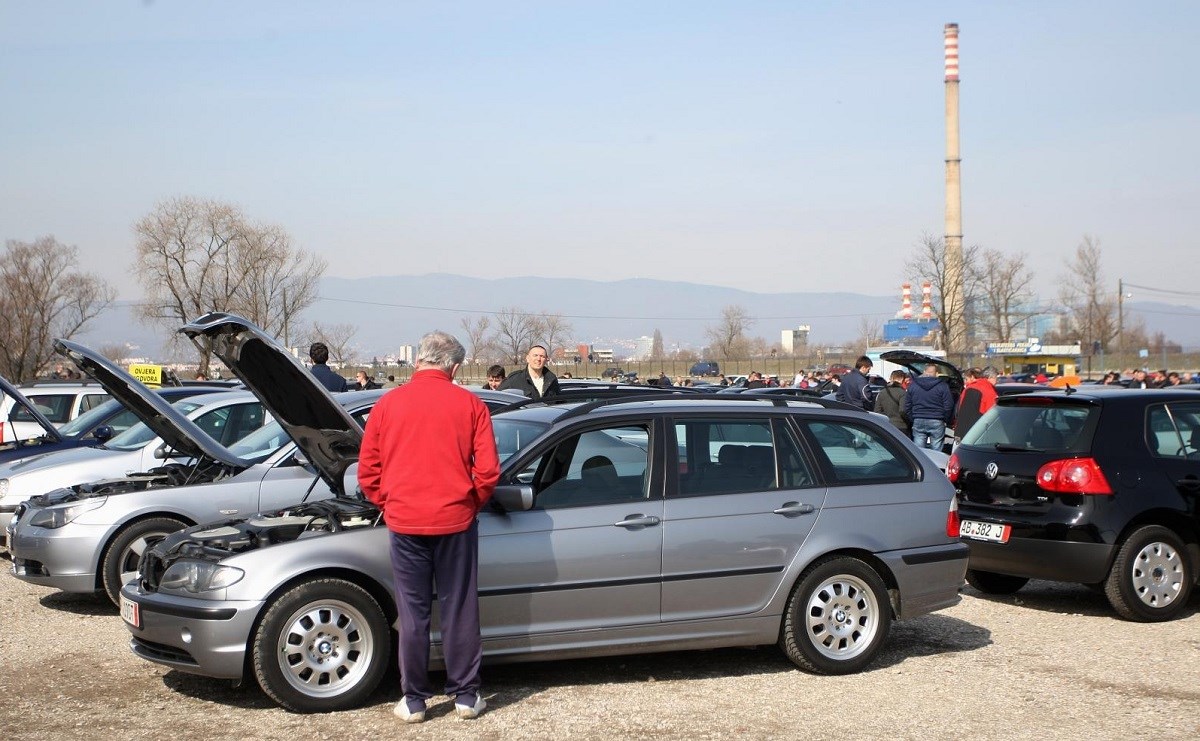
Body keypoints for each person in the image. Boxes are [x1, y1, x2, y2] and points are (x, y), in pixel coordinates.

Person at [358, 330, 500, 724]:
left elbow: (368, 470)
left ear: (418, 360)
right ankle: (466, 695)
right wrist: (470, 502)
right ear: (454, 367)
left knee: (413, 612)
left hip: (405, 522)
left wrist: (389, 503)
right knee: (460, 608)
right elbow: (488, 470)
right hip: (456, 520)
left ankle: (415, 699)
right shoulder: (471, 404)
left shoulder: (387, 404)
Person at [903, 363, 955, 450]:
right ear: (937, 373)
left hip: (918, 419)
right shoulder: (943, 386)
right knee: (936, 451)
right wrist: (945, 419)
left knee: (919, 451)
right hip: (937, 419)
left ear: (924, 371)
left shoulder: (913, 385)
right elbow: (948, 405)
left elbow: (907, 405)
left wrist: (913, 418)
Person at [955, 367, 999, 440]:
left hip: (961, 431)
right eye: (996, 379)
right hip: (977, 433)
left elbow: (959, 407)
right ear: (990, 377)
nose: (997, 381)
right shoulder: (989, 390)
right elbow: (993, 414)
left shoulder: (969, 388)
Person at [873, 370, 910, 436]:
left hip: (886, 425)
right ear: (902, 379)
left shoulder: (882, 392)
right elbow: (902, 411)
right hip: (901, 426)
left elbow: (877, 411)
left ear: (891, 378)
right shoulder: (902, 393)